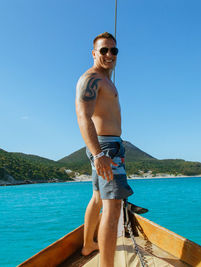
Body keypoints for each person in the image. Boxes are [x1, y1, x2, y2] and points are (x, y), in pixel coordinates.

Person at [75, 32, 134, 267]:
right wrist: (99, 154)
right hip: (106, 149)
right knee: (113, 207)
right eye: (104, 50)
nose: (109, 54)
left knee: (98, 198)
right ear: (94, 53)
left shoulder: (106, 80)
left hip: (107, 146)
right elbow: (83, 116)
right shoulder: (91, 79)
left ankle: (88, 244)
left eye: (114, 50)